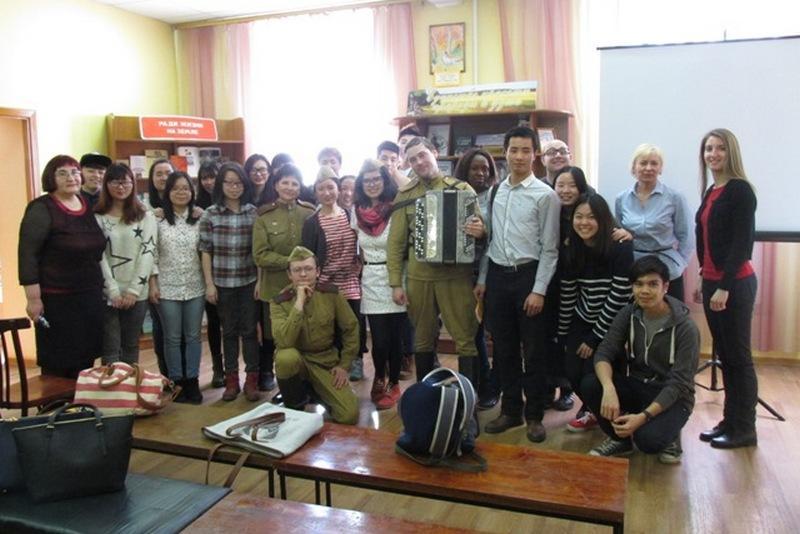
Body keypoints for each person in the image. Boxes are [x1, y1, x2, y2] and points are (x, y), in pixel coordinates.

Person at [475, 127, 560, 443]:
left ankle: (534, 415)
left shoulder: (545, 195)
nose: (519, 156)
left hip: (529, 276)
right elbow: (491, 241)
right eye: (514, 150)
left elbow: (550, 249)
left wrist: (539, 290)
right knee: (504, 349)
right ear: (505, 152)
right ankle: (510, 410)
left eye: (526, 150)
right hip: (498, 277)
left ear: (535, 154)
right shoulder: (496, 192)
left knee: (534, 351)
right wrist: (483, 279)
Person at [582, 255, 699, 464]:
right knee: (591, 384)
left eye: (653, 284)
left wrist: (643, 417)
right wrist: (608, 388)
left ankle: (671, 434)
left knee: (648, 442)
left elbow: (679, 384)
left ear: (665, 287)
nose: (644, 291)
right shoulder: (628, 313)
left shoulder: (686, 328)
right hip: (639, 385)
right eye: (638, 284)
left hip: (674, 397)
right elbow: (604, 353)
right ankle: (620, 440)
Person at [387, 136, 484, 387]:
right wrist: (395, 283)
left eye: (422, 155)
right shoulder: (405, 195)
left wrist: (480, 231)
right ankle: (426, 397)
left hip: (456, 277)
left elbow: (482, 231)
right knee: (422, 339)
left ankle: (468, 400)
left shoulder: (462, 189)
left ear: (434, 153)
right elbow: (395, 244)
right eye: (412, 159)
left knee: (465, 339)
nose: (419, 162)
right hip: (419, 278)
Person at [695, 128, 758, 449]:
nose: (713, 154)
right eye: (708, 148)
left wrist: (724, 286)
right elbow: (707, 241)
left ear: (730, 152)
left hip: (734, 284)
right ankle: (730, 421)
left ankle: (744, 428)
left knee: (738, 358)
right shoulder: (712, 190)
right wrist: (702, 275)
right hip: (712, 282)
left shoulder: (740, 190)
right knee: (726, 356)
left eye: (720, 148)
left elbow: (741, 245)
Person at [18, 155, 106, 377]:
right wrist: (33, 299)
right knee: (59, 362)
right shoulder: (41, 208)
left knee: (86, 359)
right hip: (57, 300)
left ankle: (81, 399)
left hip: (89, 296)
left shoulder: (86, 204)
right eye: (62, 173)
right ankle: (59, 400)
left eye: (75, 172)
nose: (71, 178)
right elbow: (28, 256)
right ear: (51, 177)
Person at [558, 193, 634, 433]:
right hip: (583, 317)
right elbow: (569, 293)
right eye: (578, 216)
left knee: (594, 374)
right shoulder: (571, 247)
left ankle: (614, 416)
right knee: (571, 371)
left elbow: (619, 296)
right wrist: (563, 333)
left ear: (603, 219)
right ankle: (594, 410)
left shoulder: (620, 246)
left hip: (614, 322)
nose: (584, 222)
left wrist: (595, 337)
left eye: (591, 217)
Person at [270, 246, 360, 425]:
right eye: (297, 270)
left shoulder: (331, 294)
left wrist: (344, 365)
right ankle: (295, 406)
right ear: (289, 275)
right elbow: (283, 341)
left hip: (325, 362)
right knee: (285, 357)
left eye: (308, 269)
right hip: (298, 361)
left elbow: (351, 328)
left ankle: (317, 393)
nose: (303, 274)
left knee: (349, 415)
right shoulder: (279, 302)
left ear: (317, 271)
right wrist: (299, 303)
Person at [198, 162, 260, 402]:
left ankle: (252, 380)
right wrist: (209, 284)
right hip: (222, 283)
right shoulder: (210, 214)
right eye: (229, 183)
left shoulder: (253, 212)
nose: (234, 187)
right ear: (221, 185)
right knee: (229, 332)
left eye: (238, 183)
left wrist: (259, 281)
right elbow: (206, 251)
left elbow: (258, 250)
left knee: (250, 331)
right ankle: (231, 381)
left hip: (248, 281)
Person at [252, 164, 315, 395]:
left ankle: (308, 382)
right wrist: (291, 263)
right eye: (285, 182)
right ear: (276, 185)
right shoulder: (264, 215)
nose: (290, 187)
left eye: (295, 183)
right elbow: (260, 255)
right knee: (278, 339)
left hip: (307, 287)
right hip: (275, 289)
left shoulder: (309, 212)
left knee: (305, 336)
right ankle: (284, 386)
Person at [302, 167, 366, 381]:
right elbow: (308, 255)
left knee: (354, 322)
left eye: (331, 187)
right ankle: (336, 362)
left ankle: (356, 360)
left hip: (350, 279)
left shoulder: (350, 215)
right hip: (325, 282)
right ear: (315, 192)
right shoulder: (312, 222)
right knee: (333, 325)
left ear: (338, 189)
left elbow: (362, 243)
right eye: (321, 189)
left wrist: (360, 265)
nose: (327, 193)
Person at [149, 171, 205, 404]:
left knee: (193, 336)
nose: (181, 192)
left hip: (195, 286)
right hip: (167, 287)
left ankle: (192, 381)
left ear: (192, 192)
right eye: (175, 188)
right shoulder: (156, 219)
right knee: (171, 337)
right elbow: (151, 253)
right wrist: (153, 283)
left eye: (185, 188)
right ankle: (176, 383)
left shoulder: (200, 218)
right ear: (167, 192)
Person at [353, 159, 404, 409]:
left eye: (376, 179)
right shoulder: (356, 211)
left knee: (396, 338)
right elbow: (357, 249)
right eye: (367, 180)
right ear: (361, 184)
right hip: (371, 279)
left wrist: (399, 282)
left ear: (385, 181)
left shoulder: (395, 208)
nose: (372, 184)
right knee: (380, 339)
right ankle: (379, 379)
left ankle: (394, 382)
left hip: (396, 278)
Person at [95, 163, 157, 365]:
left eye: (125, 182)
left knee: (131, 346)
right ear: (106, 184)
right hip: (108, 293)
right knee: (110, 348)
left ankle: (130, 384)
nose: (121, 187)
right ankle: (111, 386)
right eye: (115, 182)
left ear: (133, 184)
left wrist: (133, 291)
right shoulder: (97, 217)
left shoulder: (145, 216)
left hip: (137, 292)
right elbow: (99, 256)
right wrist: (112, 291)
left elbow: (148, 253)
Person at [614, 144, 693, 301]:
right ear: (634, 167)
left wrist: (681, 263)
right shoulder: (621, 199)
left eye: (654, 163)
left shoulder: (674, 198)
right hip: (634, 268)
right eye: (643, 163)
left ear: (660, 168)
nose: (648, 168)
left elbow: (687, 235)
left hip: (667, 268)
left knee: (672, 313)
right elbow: (620, 234)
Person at [454, 148, 500, 410]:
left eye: (485, 169)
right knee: (471, 333)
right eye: (475, 168)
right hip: (460, 274)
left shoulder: (495, 195)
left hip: (488, 273)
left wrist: (482, 278)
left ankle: (490, 386)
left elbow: (492, 240)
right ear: (465, 170)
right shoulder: (455, 193)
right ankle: (477, 386)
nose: (481, 173)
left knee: (486, 333)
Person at [547, 166, 591, 412]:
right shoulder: (550, 209)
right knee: (550, 339)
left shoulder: (588, 211)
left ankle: (571, 391)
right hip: (552, 284)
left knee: (574, 341)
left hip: (581, 288)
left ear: (581, 188)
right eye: (560, 185)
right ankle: (549, 387)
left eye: (572, 185)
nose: (565, 190)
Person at [145, 158, 175, 376]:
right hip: (155, 277)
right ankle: (166, 374)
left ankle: (182, 375)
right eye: (159, 173)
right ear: (152, 178)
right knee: (161, 328)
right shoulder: (144, 208)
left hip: (182, 278)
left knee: (180, 331)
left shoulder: (185, 204)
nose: (164, 178)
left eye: (168, 173)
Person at [196, 161, 224, 387]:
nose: (208, 182)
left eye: (212, 177)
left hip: (230, 270)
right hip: (206, 271)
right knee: (213, 323)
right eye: (204, 178)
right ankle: (217, 368)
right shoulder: (196, 206)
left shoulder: (228, 202)